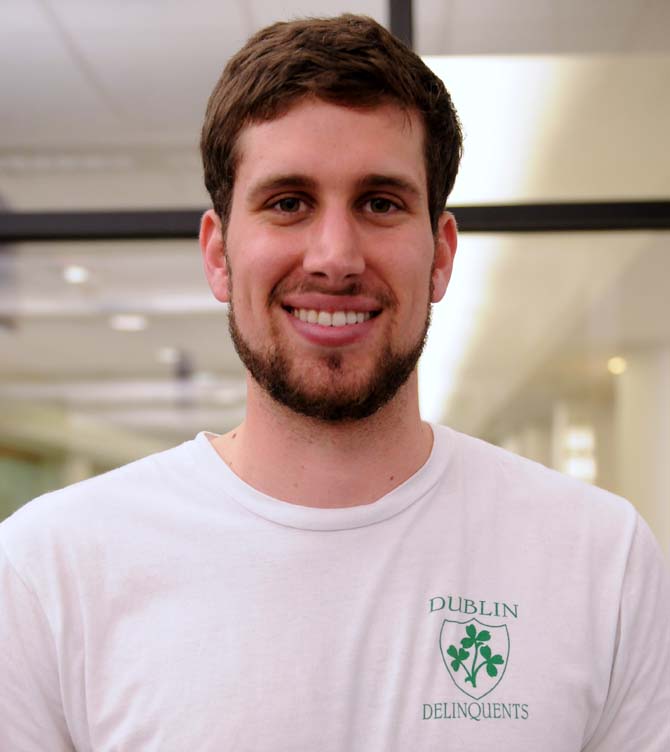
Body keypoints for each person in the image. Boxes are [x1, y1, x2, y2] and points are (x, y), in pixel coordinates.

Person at [1, 14, 668, 751]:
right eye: (288, 202)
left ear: (440, 255)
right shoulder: (49, 571)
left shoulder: (600, 561)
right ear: (219, 253)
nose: (335, 256)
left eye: (380, 203)